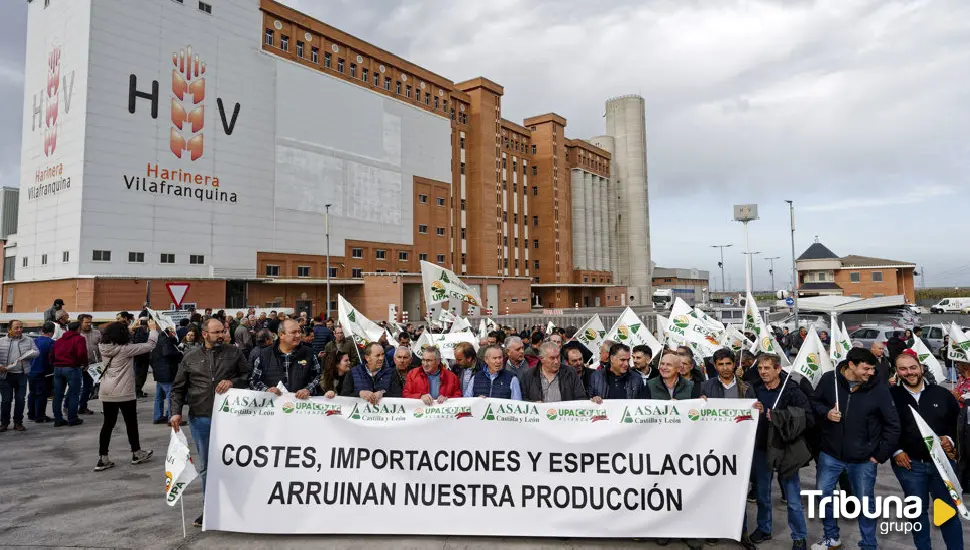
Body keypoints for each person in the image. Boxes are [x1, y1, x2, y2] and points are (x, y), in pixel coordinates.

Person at [809, 347, 900, 550]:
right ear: (851, 365)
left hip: (864, 460)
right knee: (824, 497)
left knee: (864, 503)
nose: (871, 373)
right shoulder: (828, 379)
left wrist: (879, 456)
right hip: (830, 455)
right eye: (866, 368)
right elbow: (814, 401)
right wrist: (826, 413)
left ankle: (869, 544)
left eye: (872, 369)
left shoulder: (879, 389)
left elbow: (893, 424)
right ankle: (831, 537)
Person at [170, 317, 251, 527]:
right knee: (207, 467)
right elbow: (178, 389)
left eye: (222, 331)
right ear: (204, 334)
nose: (221, 335)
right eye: (216, 332)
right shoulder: (190, 357)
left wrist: (233, 382)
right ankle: (209, 509)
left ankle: (240, 507)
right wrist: (175, 413)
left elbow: (248, 375)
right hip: (201, 418)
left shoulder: (234, 353)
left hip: (231, 419)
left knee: (235, 464)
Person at [890, 351, 963, 550]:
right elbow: (884, 428)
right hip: (910, 467)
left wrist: (950, 441)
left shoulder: (942, 394)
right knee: (917, 513)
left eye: (913, 367)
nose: (909, 372)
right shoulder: (890, 397)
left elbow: (956, 425)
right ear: (897, 372)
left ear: (921, 368)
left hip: (942, 466)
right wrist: (896, 450)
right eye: (903, 369)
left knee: (947, 511)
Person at [747, 353, 811, 549]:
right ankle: (764, 528)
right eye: (760, 369)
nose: (763, 372)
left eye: (767, 368)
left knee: (792, 498)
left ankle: (799, 536)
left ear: (777, 369)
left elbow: (807, 417)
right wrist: (752, 409)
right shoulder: (754, 389)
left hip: (786, 449)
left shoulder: (792, 390)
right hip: (761, 447)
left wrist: (778, 416)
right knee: (763, 494)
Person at [95, 320, 159, 471]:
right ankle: (136, 452)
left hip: (107, 391)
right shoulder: (125, 349)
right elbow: (150, 345)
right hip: (124, 392)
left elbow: (116, 333)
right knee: (131, 423)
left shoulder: (103, 347)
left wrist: (128, 327)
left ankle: (103, 458)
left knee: (108, 424)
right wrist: (153, 329)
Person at [250, 319, 320, 399]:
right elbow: (254, 381)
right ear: (281, 335)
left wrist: (308, 389)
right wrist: (266, 390)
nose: (298, 335)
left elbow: (318, 376)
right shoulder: (264, 354)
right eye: (293, 332)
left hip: (301, 406)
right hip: (274, 407)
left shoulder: (309, 353)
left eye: (299, 332)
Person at [0, 320, 40, 432]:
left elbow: (37, 352)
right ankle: (4, 423)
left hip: (21, 375)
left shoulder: (28, 340)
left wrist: (29, 355)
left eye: (21, 327)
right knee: (6, 400)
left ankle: (18, 422)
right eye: (16, 328)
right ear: (9, 329)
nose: (20, 330)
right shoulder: (1, 341)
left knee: (20, 400)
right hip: (5, 375)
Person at [51, 321, 89, 426]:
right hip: (72, 368)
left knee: (57, 395)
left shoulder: (59, 340)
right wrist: (84, 364)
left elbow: (51, 355)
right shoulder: (79, 339)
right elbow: (82, 353)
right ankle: (72, 418)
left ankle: (58, 419)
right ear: (78, 329)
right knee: (74, 394)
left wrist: (55, 364)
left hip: (58, 368)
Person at [519, 342, 586, 402]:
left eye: (558, 357)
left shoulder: (570, 372)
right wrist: (534, 404)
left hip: (564, 415)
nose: (556, 361)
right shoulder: (528, 375)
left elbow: (581, 397)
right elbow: (523, 401)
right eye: (552, 358)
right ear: (541, 359)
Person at [150, 328, 183, 424]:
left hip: (159, 372)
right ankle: (171, 418)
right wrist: (179, 353)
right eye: (172, 332)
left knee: (159, 396)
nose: (174, 333)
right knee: (171, 395)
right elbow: (167, 353)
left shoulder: (158, 340)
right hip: (167, 372)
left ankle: (158, 416)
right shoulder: (166, 340)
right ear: (168, 333)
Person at [27, 322, 56, 423]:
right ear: (52, 331)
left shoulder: (34, 341)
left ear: (42, 330)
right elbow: (52, 359)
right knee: (41, 395)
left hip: (31, 371)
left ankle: (31, 414)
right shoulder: (51, 343)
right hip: (43, 372)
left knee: (32, 393)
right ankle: (40, 416)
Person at [78, 314, 101, 414]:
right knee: (75, 389)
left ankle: (82, 407)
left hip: (94, 366)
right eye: (86, 322)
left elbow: (103, 347)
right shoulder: (77, 334)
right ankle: (68, 407)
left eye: (90, 322)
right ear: (80, 323)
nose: (89, 324)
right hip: (79, 366)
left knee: (88, 388)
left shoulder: (97, 333)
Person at [131, 318, 151, 398]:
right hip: (141, 357)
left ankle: (139, 390)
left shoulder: (143, 330)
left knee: (142, 374)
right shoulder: (140, 331)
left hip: (142, 356)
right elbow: (140, 342)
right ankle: (137, 390)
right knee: (140, 374)